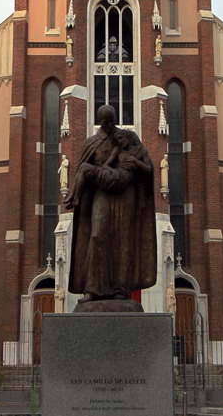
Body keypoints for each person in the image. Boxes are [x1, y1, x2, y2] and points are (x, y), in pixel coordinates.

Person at [64, 104, 156, 307]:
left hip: (126, 194)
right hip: (102, 193)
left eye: (112, 121)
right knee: (97, 235)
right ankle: (92, 289)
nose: (109, 125)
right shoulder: (91, 142)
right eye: (105, 122)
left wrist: (136, 165)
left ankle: (121, 290)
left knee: (124, 239)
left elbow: (148, 165)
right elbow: (84, 170)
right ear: (100, 121)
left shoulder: (127, 137)